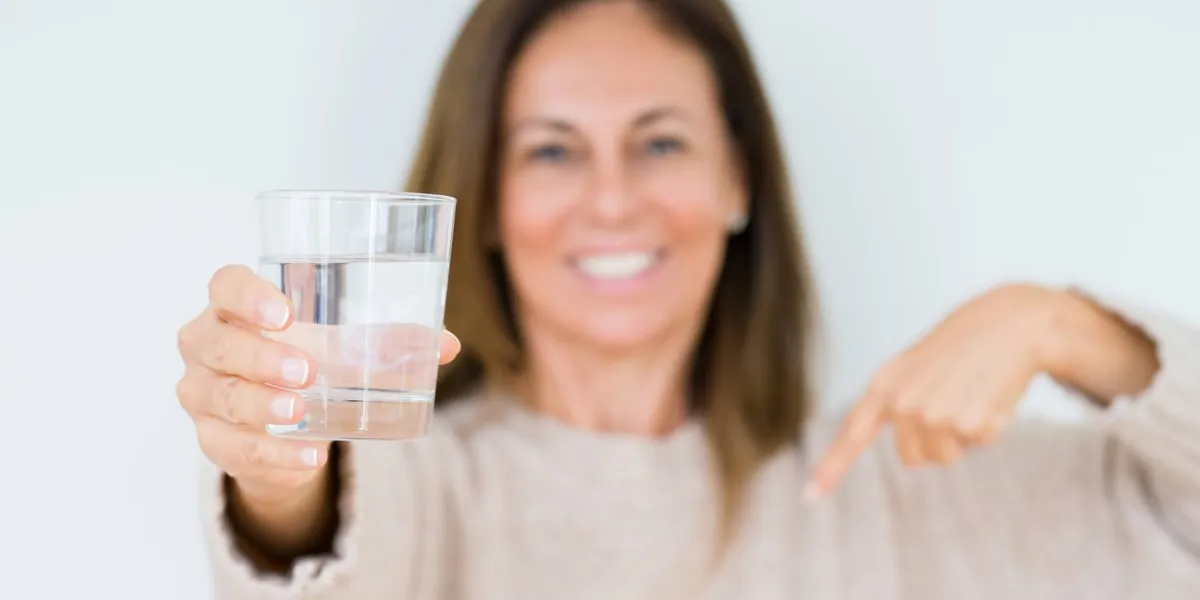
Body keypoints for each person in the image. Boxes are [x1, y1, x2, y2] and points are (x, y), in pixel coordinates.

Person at [175, 0, 1200, 598]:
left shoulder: (903, 486)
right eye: (552, 152)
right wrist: (278, 471)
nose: (612, 199)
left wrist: (1068, 329)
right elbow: (319, 546)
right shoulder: (422, 490)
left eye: (660, 142)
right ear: (484, 203)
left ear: (737, 180)